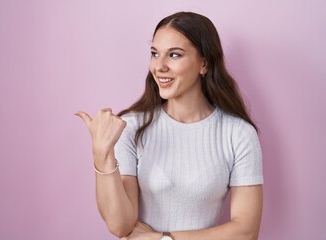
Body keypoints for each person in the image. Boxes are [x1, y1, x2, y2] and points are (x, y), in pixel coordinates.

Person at [76, 11, 263, 240]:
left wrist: (163, 239)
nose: (159, 66)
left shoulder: (239, 134)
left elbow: (246, 231)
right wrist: (101, 153)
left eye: (174, 55)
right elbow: (120, 225)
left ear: (204, 63)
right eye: (155, 54)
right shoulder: (131, 127)